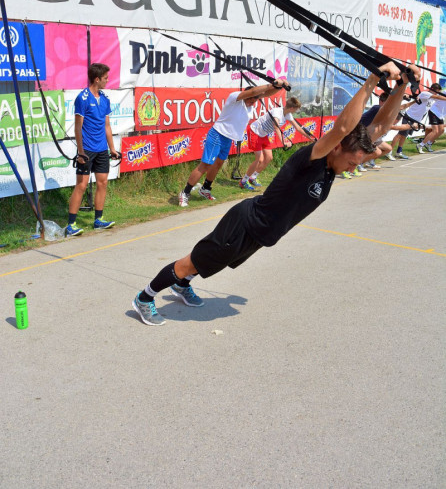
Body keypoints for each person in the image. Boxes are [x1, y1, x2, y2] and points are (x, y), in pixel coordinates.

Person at [132, 61, 418, 325]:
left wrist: (402, 85)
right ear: (336, 147)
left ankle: (182, 286)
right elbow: (343, 127)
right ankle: (145, 297)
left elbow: (380, 126)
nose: (353, 167)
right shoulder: (314, 158)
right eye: (352, 162)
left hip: (260, 234)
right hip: (244, 226)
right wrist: (372, 79)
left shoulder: (336, 165)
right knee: (190, 262)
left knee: (213, 263)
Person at [178, 80, 287, 207]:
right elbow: (253, 91)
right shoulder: (235, 98)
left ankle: (205, 189)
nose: (252, 102)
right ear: (246, 95)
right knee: (206, 165)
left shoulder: (251, 102)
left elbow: (266, 93)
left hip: (228, 138)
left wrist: (279, 86)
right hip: (218, 134)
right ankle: (185, 192)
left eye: (255, 100)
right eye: (251, 99)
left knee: (218, 164)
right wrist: (271, 85)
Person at [65, 63, 119, 237]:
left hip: (102, 149)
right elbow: (77, 128)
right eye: (105, 78)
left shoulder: (105, 99)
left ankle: (98, 220)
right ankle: (71, 225)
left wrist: (112, 149)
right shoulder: (82, 98)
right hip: (87, 150)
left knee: (103, 183)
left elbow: (107, 126)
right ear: (97, 79)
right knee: (81, 185)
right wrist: (80, 152)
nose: (107, 81)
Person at [238, 96, 309, 190]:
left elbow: (298, 128)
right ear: (292, 108)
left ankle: (253, 178)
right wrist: (283, 142)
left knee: (269, 157)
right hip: (255, 132)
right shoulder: (277, 112)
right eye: (296, 109)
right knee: (259, 159)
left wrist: (310, 137)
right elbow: (276, 127)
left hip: (263, 135)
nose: (296, 111)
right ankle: (243, 181)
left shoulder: (288, 114)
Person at [387, 84, 445, 159]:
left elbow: (440, 98)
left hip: (416, 119)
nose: (437, 93)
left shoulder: (432, 97)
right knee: (400, 135)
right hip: (410, 116)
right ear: (432, 89)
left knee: (404, 135)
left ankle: (399, 152)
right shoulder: (425, 93)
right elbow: (438, 97)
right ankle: (389, 151)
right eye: (436, 92)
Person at [415, 84, 446, 153]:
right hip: (434, 112)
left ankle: (429, 143)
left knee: (441, 130)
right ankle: (420, 145)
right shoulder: (444, 92)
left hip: (440, 115)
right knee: (435, 131)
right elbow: (437, 96)